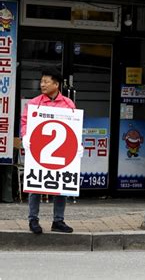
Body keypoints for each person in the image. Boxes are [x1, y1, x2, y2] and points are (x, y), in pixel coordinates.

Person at [21, 68, 81, 234]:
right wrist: (25, 137)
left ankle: (58, 221)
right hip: (38, 151)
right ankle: (33, 219)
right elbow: (25, 122)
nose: (42, 85)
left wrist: (78, 144)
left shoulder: (68, 104)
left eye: (46, 82)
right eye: (42, 82)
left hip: (60, 153)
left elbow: (74, 127)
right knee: (36, 185)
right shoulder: (34, 103)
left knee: (60, 184)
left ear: (57, 84)